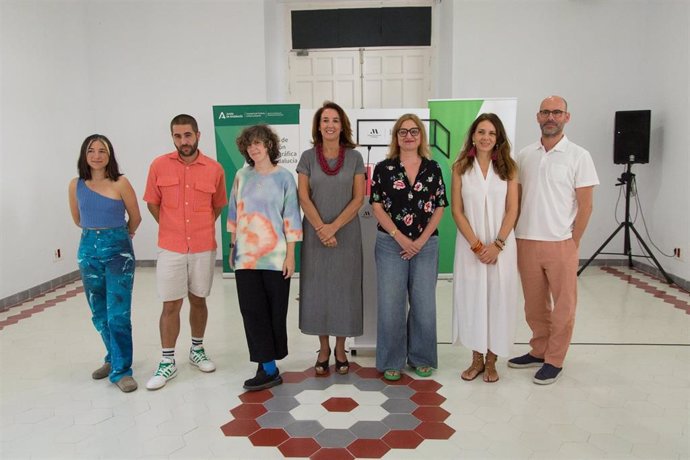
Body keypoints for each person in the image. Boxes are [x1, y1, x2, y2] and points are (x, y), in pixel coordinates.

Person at [508, 96, 599, 384]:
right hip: (526, 240)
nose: (551, 117)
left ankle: (555, 359)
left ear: (566, 117)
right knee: (534, 306)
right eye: (546, 112)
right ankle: (538, 350)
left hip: (561, 243)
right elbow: (517, 201)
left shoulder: (578, 156)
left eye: (556, 112)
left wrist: (574, 241)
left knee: (563, 305)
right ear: (537, 117)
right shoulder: (524, 155)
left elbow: (586, 206)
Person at [143, 114, 228, 390]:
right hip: (171, 247)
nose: (183, 141)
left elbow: (217, 205)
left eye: (188, 135)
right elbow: (153, 204)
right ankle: (167, 361)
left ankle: (197, 350)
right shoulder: (158, 166)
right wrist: (172, 227)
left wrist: (199, 228)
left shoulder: (214, 169)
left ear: (198, 135)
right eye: (178, 136)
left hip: (203, 246)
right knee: (170, 304)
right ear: (173, 138)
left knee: (199, 299)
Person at [370, 113, 448, 381]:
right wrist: (400, 237)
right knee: (391, 304)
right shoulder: (383, 168)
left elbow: (439, 206)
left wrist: (421, 240)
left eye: (414, 131)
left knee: (424, 304)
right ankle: (392, 360)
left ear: (421, 136)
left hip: (426, 245)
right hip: (390, 244)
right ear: (396, 137)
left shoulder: (433, 168)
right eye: (403, 132)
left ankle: (422, 357)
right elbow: (376, 205)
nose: (409, 136)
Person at [227, 125, 302, 391]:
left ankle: (269, 364)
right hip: (246, 258)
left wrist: (291, 257)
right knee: (252, 311)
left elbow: (292, 218)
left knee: (274, 312)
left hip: (275, 257)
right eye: (249, 145)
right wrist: (232, 247)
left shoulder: (284, 177)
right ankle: (268, 367)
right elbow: (234, 215)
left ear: (269, 145)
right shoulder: (241, 176)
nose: (253, 148)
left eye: (258, 143)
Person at [68, 134, 142, 393]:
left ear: (110, 156)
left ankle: (123, 371)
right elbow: (78, 219)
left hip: (117, 252)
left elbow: (135, 217)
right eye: (92, 150)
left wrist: (121, 236)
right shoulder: (75, 185)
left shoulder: (120, 182)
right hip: (88, 249)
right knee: (99, 312)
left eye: (103, 150)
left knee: (118, 314)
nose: (97, 155)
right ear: (84, 155)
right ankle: (113, 357)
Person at [297, 101, 366, 375]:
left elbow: (358, 198)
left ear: (342, 125)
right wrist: (321, 229)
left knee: (344, 290)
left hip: (346, 234)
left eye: (335, 120)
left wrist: (333, 227)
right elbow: (304, 196)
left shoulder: (355, 158)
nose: (330, 125)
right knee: (318, 291)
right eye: (325, 120)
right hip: (315, 236)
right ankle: (323, 347)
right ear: (318, 125)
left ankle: (340, 347)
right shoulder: (307, 157)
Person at [450, 114, 518, 383]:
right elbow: (457, 211)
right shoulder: (460, 168)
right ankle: (476, 359)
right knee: (473, 299)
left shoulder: (510, 168)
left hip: (502, 248)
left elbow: (513, 209)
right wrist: (478, 246)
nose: (486, 137)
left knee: (497, 300)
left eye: (491, 133)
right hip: (470, 248)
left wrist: (497, 245)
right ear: (473, 136)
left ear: (498, 137)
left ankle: (492, 361)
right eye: (481, 132)